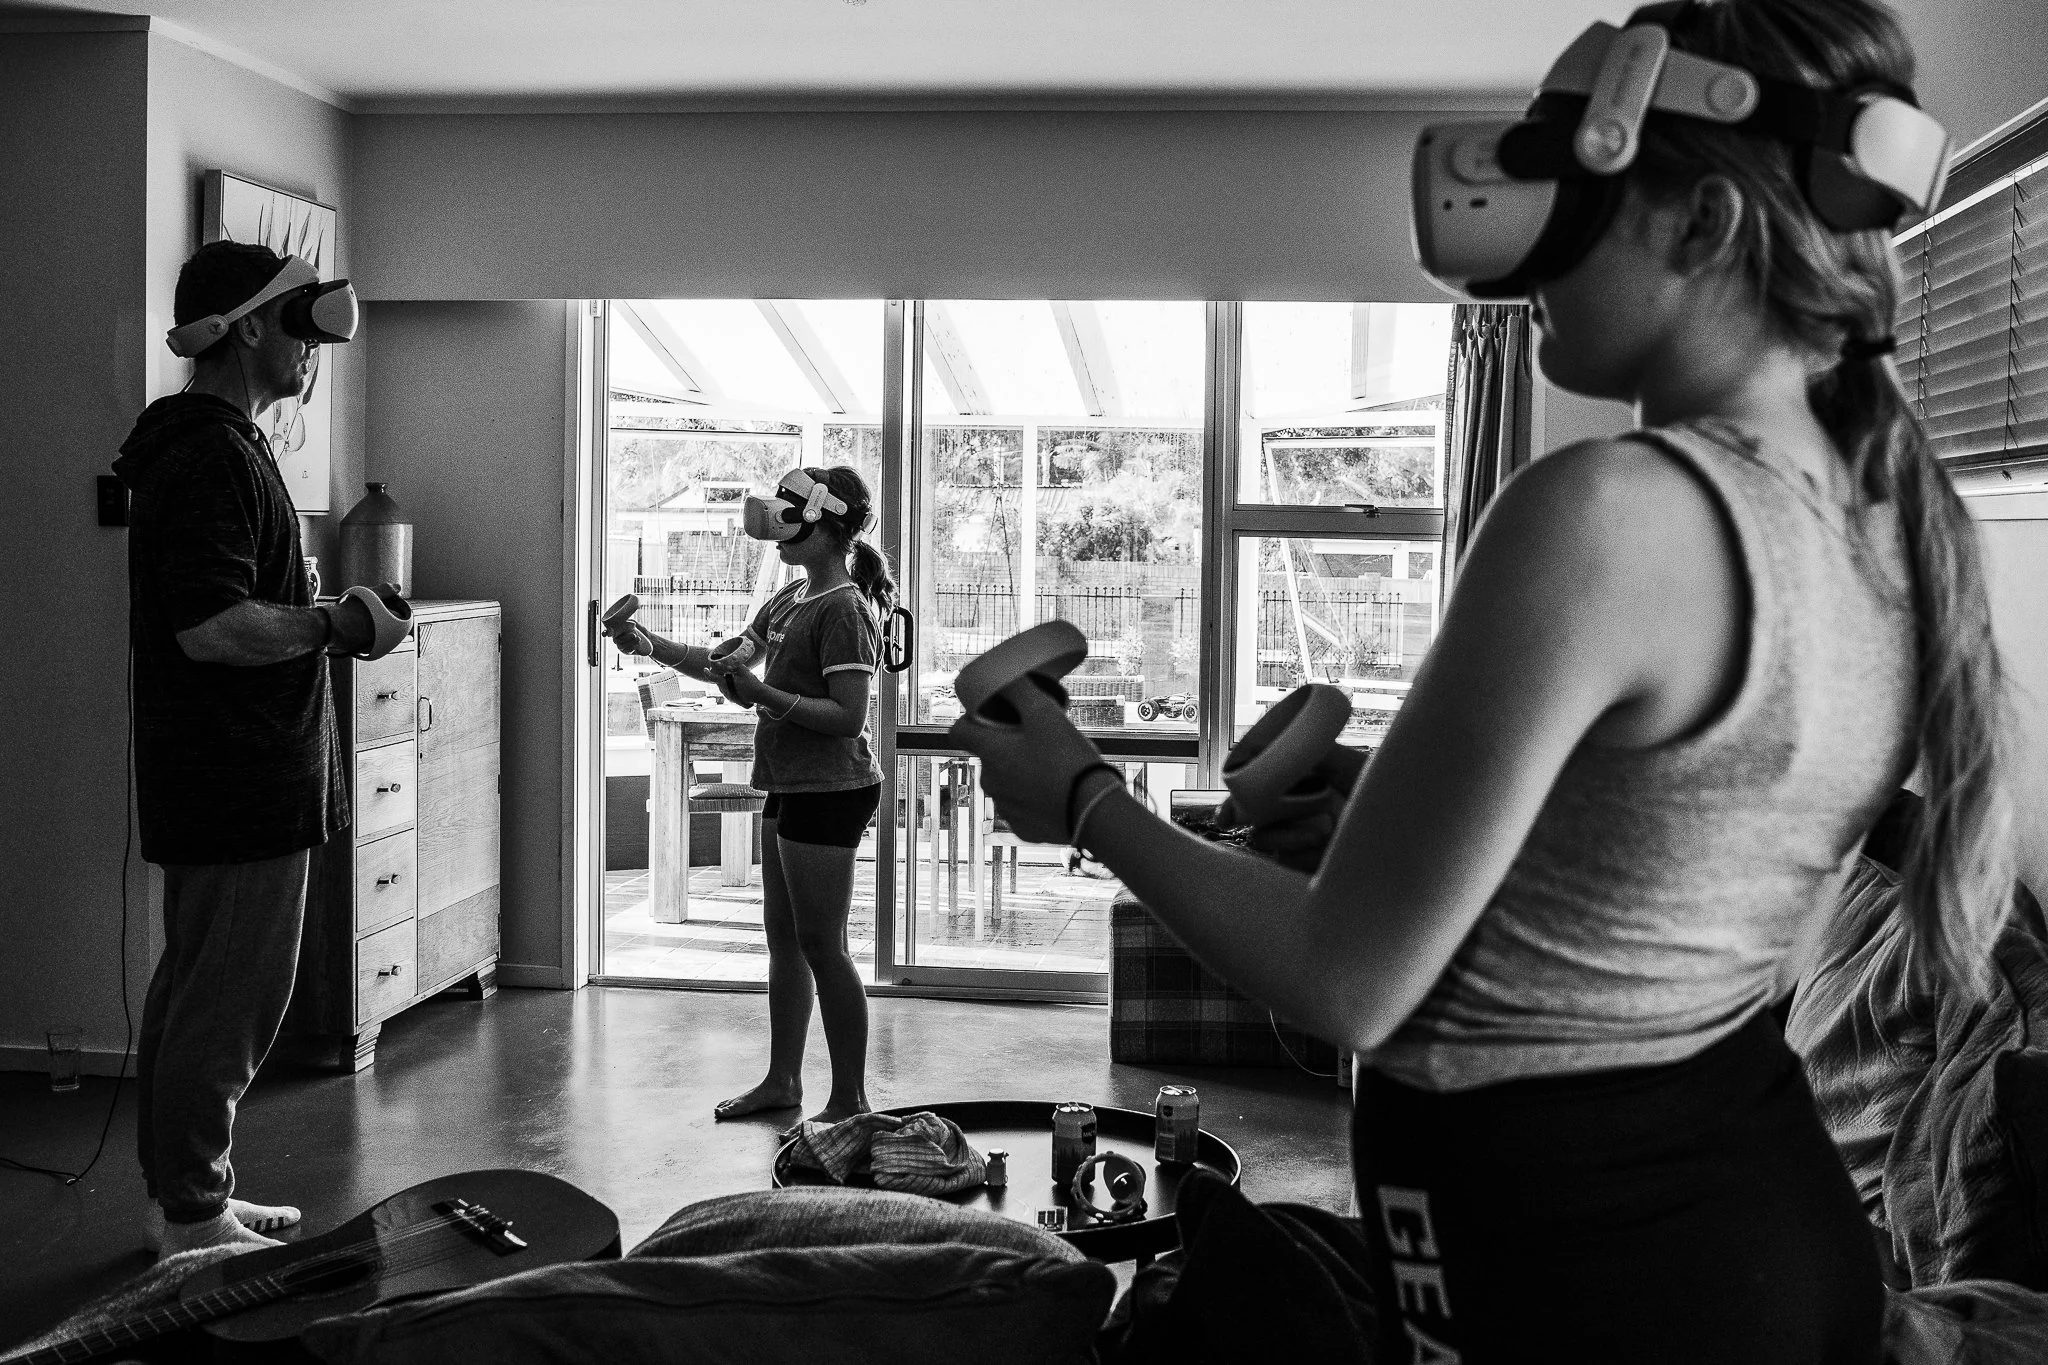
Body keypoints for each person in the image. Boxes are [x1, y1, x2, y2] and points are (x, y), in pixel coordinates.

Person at [952, 1, 2010, 1359]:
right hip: (1723, 1228)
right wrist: (1382, 817)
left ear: (1704, 222)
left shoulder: (1613, 509)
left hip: (1584, 1260)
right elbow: (1660, 876)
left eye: (1578, 181)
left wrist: (1082, 798)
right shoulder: (1869, 517)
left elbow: (1350, 981)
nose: (1531, 233)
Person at [117, 239, 394, 1254]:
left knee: (201, 987)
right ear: (243, 331)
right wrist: (337, 626)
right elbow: (212, 627)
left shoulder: (220, 446)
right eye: (296, 323)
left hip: (237, 776)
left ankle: (187, 1195)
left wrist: (327, 618)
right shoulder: (209, 455)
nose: (311, 347)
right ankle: (194, 1216)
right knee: (228, 1001)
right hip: (237, 782)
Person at [607, 466, 891, 1125]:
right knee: (785, 940)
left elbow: (848, 716)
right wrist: (649, 645)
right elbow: (723, 663)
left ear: (825, 526)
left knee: (823, 945)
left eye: (789, 519)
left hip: (832, 789)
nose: (776, 534)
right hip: (788, 783)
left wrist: (762, 693)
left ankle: (850, 1099)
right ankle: (782, 1080)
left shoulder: (844, 610)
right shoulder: (791, 598)